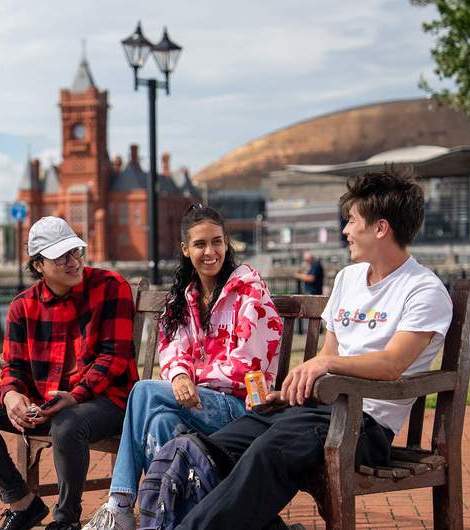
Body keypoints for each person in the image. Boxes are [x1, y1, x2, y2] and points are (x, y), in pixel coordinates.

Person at [174, 166, 453, 530]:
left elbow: (392, 365)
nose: (345, 230)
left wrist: (325, 367)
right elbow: (327, 356)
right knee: (209, 451)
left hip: (363, 426)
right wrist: (291, 392)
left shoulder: (423, 290)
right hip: (314, 411)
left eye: (352, 221)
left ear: (380, 228)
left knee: (269, 451)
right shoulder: (349, 279)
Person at [82, 205, 283, 530]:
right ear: (185, 249)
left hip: (240, 408)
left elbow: (250, 363)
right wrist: (178, 375)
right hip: (198, 405)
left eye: (217, 242)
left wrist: (191, 381)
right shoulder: (185, 298)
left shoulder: (249, 291)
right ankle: (173, 520)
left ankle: (119, 505)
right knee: (162, 421)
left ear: (227, 243)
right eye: (200, 244)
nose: (210, 251)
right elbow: (174, 347)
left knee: (143, 391)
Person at [0, 216, 139, 530]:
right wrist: (11, 394)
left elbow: (114, 358)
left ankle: (66, 519)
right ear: (38, 265)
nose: (73, 262)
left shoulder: (111, 287)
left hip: (108, 399)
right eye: (61, 257)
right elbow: (13, 366)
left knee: (68, 423)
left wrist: (74, 397)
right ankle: (22, 503)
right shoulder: (23, 306)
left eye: (75, 253)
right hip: (46, 399)